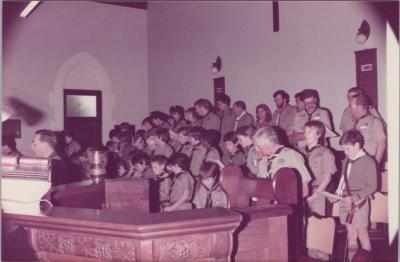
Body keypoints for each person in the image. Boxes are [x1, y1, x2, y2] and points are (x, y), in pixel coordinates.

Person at [330, 130, 377, 261]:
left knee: (363, 234)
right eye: (343, 149)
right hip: (345, 201)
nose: (345, 152)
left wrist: (355, 198)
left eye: (347, 149)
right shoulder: (346, 160)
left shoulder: (369, 161)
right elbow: (342, 181)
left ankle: (367, 259)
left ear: (357, 145)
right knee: (351, 233)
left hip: (359, 202)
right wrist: (336, 194)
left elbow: (373, 186)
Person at [303, 121, 337, 261]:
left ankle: (323, 255)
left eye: (309, 132)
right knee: (310, 228)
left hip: (319, 193)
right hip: (307, 192)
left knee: (320, 224)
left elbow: (327, 177)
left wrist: (315, 195)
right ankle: (312, 251)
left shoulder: (325, 152)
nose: (305, 135)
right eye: (305, 132)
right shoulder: (304, 153)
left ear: (319, 134)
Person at [252, 126, 312, 198]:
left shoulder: (291, 156)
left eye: (258, 146)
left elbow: (304, 190)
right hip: (265, 203)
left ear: (269, 143)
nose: (257, 150)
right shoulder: (264, 160)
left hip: (285, 205)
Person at [290, 89, 334, 154]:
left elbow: (325, 133)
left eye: (312, 102)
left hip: (319, 151)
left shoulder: (323, 113)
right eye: (307, 103)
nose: (310, 105)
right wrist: (313, 133)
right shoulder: (298, 115)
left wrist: (302, 135)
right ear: (303, 103)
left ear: (315, 100)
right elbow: (294, 136)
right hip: (302, 152)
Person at [349, 93, 386, 166]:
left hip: (368, 162)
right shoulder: (356, 123)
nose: (349, 109)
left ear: (359, 107)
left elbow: (381, 145)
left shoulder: (374, 121)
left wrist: (375, 166)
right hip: (356, 162)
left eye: (351, 106)